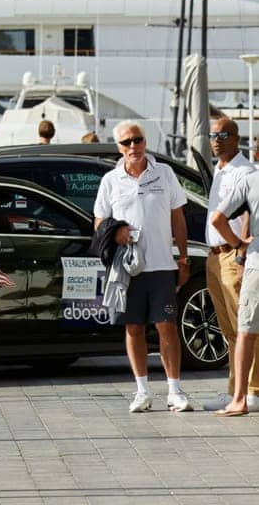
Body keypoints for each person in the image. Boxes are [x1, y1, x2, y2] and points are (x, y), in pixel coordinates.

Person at [93, 120, 192, 413]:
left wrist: (183, 258)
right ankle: (142, 391)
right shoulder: (110, 180)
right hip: (128, 268)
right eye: (126, 143)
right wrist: (116, 232)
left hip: (162, 265)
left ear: (145, 141)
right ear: (119, 147)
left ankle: (174, 390)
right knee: (134, 328)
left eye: (137, 140)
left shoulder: (165, 173)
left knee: (167, 326)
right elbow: (99, 220)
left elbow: (178, 218)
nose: (133, 147)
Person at [204, 117, 259, 412]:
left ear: (236, 138)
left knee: (247, 326)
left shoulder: (245, 171)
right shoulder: (220, 169)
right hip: (215, 254)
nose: (216, 140)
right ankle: (234, 388)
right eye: (213, 135)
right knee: (229, 329)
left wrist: (240, 250)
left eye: (223, 135)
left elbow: (249, 214)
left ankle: (252, 390)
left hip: (233, 255)